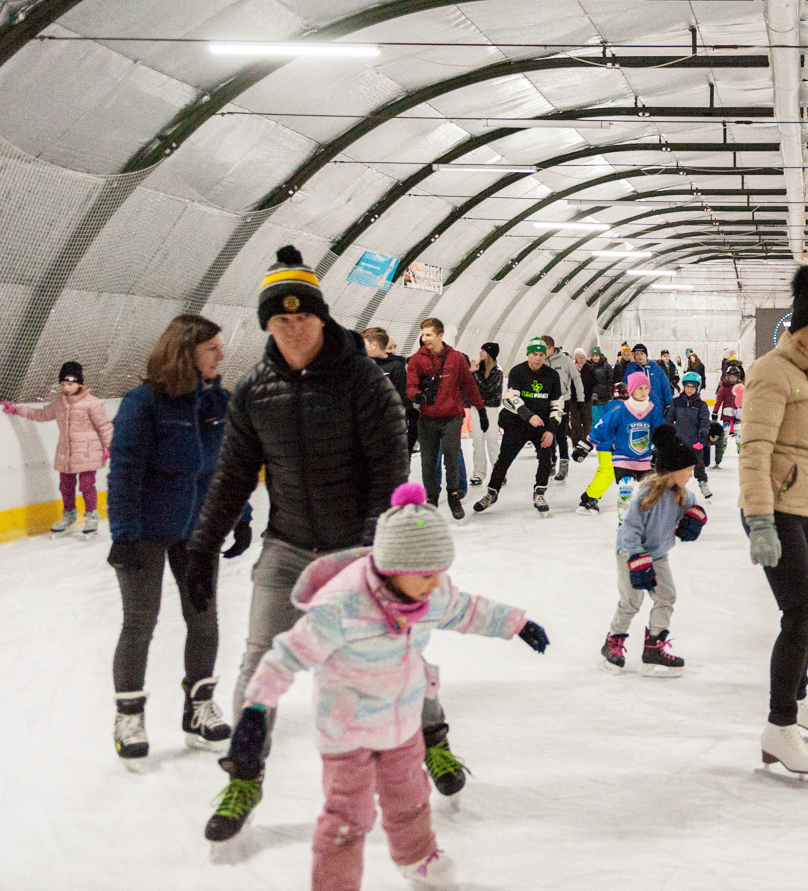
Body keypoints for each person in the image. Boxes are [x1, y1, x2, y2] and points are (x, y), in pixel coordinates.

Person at [184, 246, 416, 843]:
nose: (293, 326)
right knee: (259, 664)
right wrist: (202, 548)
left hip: (355, 546)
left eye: (303, 315)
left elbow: (389, 471)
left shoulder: (363, 380)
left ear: (321, 316)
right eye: (280, 318)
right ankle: (243, 774)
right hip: (287, 546)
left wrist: (369, 553)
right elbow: (233, 475)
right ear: (266, 324)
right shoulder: (255, 390)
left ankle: (428, 741)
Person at [227, 482, 549, 891]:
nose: (436, 584)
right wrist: (256, 709)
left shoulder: (430, 593)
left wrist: (516, 623)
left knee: (410, 798)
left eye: (440, 573)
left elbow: (468, 610)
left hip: (402, 723)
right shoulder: (341, 606)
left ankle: (416, 858)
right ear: (396, 568)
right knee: (348, 816)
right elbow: (286, 655)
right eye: (427, 575)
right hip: (348, 732)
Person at [104, 315, 242, 765]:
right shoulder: (143, 404)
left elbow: (228, 468)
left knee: (203, 617)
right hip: (144, 529)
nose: (221, 355)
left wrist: (238, 515)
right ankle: (129, 715)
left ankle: (198, 706)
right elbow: (124, 472)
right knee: (140, 621)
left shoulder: (219, 402)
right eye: (212, 349)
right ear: (186, 352)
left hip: (198, 529)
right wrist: (123, 534)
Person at [739, 267, 808, 783]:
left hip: (804, 504)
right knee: (800, 612)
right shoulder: (770, 372)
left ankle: (797, 701)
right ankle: (778, 727)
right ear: (798, 332)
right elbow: (755, 451)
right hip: (774, 508)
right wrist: (759, 520)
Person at [602, 425, 705, 675]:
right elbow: (628, 530)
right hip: (631, 554)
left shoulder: (683, 494)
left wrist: (696, 515)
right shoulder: (647, 495)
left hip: (658, 556)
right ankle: (613, 642)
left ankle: (654, 646)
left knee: (666, 596)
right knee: (631, 602)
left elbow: (693, 507)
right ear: (673, 470)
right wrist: (637, 557)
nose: (691, 475)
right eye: (688, 470)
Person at [2, 359, 112, 535]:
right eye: (63, 384)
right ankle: (69, 516)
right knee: (66, 487)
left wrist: (109, 447)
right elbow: (41, 414)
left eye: (70, 383)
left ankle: (92, 516)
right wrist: (17, 410)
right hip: (66, 453)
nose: (66, 388)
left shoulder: (92, 403)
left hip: (87, 453)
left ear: (79, 383)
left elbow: (105, 426)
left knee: (86, 486)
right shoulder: (59, 403)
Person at [475, 339, 564, 516]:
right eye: (534, 354)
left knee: (546, 458)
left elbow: (557, 405)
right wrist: (528, 415)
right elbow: (510, 398)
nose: (537, 358)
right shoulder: (517, 371)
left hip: (542, 426)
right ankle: (492, 493)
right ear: (528, 354)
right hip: (518, 424)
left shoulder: (552, 375)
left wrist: (550, 430)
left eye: (541, 355)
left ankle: (539, 493)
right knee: (504, 460)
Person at [406, 318, 483, 519]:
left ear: (440, 335)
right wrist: (418, 396)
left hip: (451, 417)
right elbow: (410, 386)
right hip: (427, 418)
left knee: (451, 457)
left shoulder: (456, 358)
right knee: (428, 461)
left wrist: (481, 410)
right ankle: (431, 498)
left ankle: (453, 495)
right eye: (423, 334)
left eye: (429, 334)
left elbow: (469, 385)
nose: (425, 339)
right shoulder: (416, 359)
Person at [578, 371, 663, 518]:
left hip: (617, 448)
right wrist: (588, 443)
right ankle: (590, 498)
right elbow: (603, 426)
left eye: (645, 388)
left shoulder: (644, 408)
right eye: (638, 388)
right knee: (607, 471)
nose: (643, 392)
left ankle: (592, 497)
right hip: (609, 447)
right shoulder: (619, 408)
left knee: (611, 473)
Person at [362, 328, 413, 453]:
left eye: (364, 344)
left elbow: (400, 397)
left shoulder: (396, 366)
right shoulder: (364, 365)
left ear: (374, 345)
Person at [665, 370, 714, 499]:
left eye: (692, 387)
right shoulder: (676, 402)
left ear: (697, 388)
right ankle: (673, 487)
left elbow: (704, 423)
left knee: (699, 465)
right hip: (678, 441)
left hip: (694, 442)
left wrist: (702, 440)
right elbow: (669, 420)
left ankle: (703, 483)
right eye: (687, 386)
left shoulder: (701, 405)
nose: (689, 389)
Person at [540, 336, 582, 482]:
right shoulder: (541, 362)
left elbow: (576, 378)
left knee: (560, 434)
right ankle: (551, 461)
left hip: (563, 401)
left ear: (552, 348)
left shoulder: (565, 361)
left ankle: (564, 463)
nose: (541, 353)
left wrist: (580, 398)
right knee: (547, 433)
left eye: (544, 349)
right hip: (545, 402)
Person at [468, 343, 503, 488]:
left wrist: (474, 374)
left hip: (491, 409)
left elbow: (488, 388)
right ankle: (479, 472)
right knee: (477, 439)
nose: (480, 352)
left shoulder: (497, 371)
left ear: (489, 353)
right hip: (477, 408)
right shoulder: (478, 370)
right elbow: (470, 387)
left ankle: (498, 470)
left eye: (482, 351)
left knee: (492, 439)